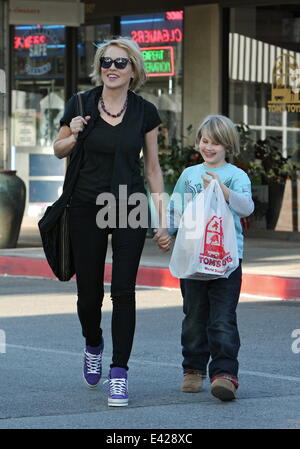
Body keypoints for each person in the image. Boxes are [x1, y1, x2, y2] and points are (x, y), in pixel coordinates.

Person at [53, 37, 170, 407]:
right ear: (100, 66)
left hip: (129, 204)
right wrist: (73, 132)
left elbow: (152, 168)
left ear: (133, 69)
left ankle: (119, 372)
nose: (113, 68)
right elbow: (58, 149)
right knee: (89, 293)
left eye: (121, 63)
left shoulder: (145, 111)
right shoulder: (80, 103)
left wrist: (162, 219)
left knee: (123, 291)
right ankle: (93, 342)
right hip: (86, 204)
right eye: (107, 61)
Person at [167, 114, 254, 401]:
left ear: (227, 145)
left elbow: (246, 208)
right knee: (193, 316)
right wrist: (167, 232)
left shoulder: (236, 176)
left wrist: (223, 190)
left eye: (216, 143)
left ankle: (225, 374)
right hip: (193, 258)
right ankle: (192, 369)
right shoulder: (189, 175)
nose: (209, 147)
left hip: (226, 261)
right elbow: (176, 206)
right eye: (205, 141)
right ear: (198, 142)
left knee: (223, 318)